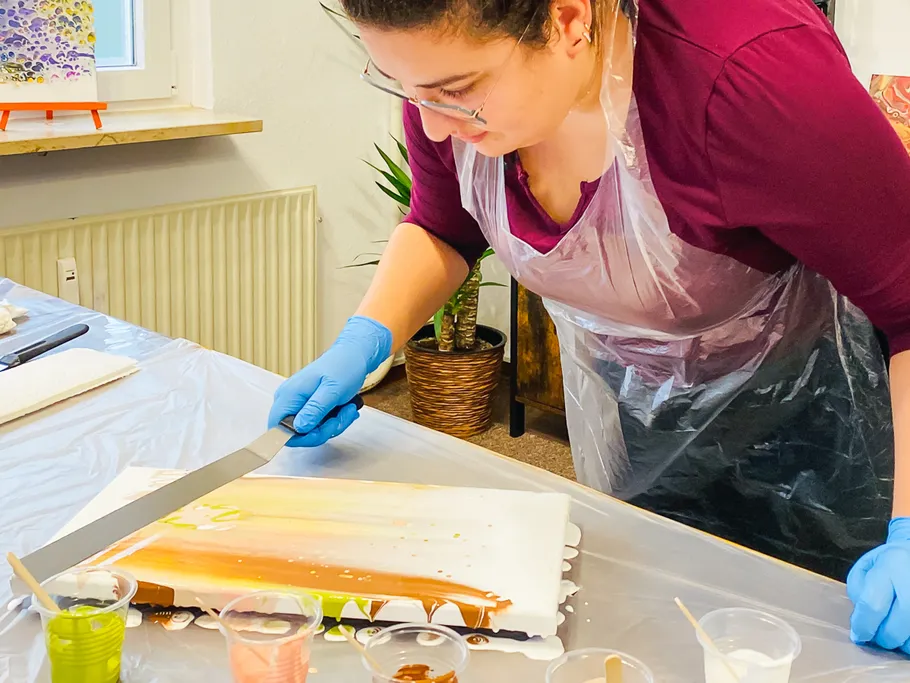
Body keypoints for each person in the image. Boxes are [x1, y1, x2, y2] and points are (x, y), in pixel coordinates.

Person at [268, 0, 910, 654]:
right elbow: (444, 225)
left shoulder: (751, 73)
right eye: (404, 88)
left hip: (818, 420)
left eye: (456, 92)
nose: (431, 125)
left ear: (570, 20)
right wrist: (365, 337)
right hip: (636, 409)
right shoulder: (441, 78)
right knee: (657, 621)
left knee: (809, 642)